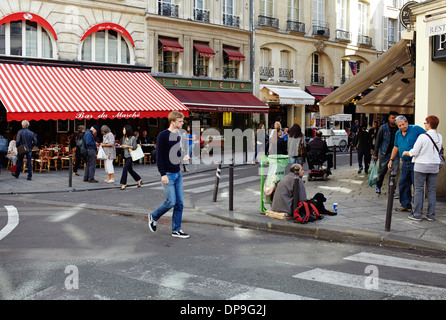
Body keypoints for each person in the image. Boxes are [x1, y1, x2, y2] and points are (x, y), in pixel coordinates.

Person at [148, 111, 190, 239]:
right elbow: (159, 157)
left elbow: (176, 154)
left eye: (182, 121)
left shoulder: (178, 135)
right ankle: (153, 216)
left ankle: (176, 230)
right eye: (180, 121)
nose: (182, 123)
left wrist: (184, 157)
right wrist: (163, 174)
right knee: (171, 201)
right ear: (172, 121)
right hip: (168, 174)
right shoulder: (163, 135)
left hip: (177, 173)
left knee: (180, 203)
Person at [402, 116, 442, 221]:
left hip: (421, 166)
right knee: (431, 191)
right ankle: (431, 215)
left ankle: (417, 215)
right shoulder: (439, 137)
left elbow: (414, 152)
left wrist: (406, 152)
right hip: (434, 166)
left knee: (419, 190)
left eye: (425, 123)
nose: (424, 124)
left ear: (429, 124)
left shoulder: (423, 137)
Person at [389, 115, 426, 212]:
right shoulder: (398, 133)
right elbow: (396, 147)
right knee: (403, 183)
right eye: (399, 125)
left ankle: (417, 208)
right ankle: (405, 204)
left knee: (416, 185)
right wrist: (391, 159)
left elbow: (427, 139)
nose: (402, 127)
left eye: (403, 124)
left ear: (407, 122)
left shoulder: (416, 129)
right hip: (405, 162)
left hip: (416, 161)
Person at [372, 111, 400, 195]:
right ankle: (378, 186)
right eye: (392, 118)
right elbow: (378, 141)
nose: (394, 120)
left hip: (395, 155)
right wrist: (375, 153)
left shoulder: (399, 128)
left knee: (394, 173)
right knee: (381, 172)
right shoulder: (383, 128)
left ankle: (391, 190)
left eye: (396, 118)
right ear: (389, 118)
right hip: (384, 153)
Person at [119, 125, 142, 190]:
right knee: (130, 170)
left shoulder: (133, 138)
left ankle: (123, 183)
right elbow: (124, 145)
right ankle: (138, 179)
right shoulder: (124, 137)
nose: (123, 131)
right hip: (126, 156)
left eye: (124, 129)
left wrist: (127, 146)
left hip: (131, 156)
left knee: (125, 168)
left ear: (127, 130)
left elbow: (134, 147)